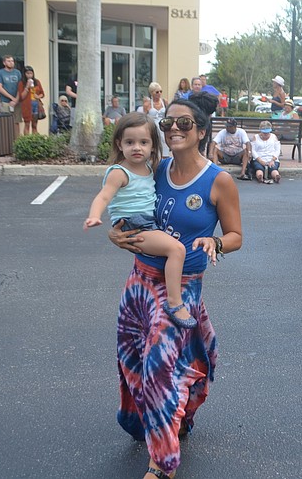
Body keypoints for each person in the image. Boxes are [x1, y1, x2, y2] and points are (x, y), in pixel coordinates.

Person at [108, 98, 242, 479]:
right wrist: (114, 235)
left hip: (181, 291)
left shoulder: (219, 180)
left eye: (186, 123)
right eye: (168, 122)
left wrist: (215, 243)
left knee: (161, 370)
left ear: (201, 131)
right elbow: (125, 206)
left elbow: (236, 236)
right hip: (138, 284)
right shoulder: (156, 167)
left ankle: (162, 461)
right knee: (132, 360)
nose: (174, 129)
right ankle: (159, 421)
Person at [85, 112, 195, 330]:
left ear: (153, 146)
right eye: (130, 142)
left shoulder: (148, 168)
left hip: (146, 223)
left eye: (143, 142)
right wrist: (94, 216)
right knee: (177, 250)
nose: (137, 147)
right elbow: (104, 196)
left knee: (172, 250)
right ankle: (174, 303)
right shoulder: (119, 172)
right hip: (134, 225)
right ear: (119, 144)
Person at [0, 55, 22, 136]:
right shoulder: (0, 73)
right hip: (5, 102)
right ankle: (7, 142)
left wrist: (16, 100)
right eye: (9, 61)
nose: (11, 63)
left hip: (16, 103)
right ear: (4, 63)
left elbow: (20, 87)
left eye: (12, 61)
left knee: (16, 122)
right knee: (5, 123)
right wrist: (11, 98)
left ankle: (17, 141)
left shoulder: (17, 72)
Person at [17, 66, 45, 135]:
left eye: (31, 73)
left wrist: (38, 96)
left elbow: (42, 94)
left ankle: (35, 140)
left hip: (36, 104)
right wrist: (27, 86)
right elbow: (21, 97)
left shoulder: (37, 82)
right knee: (27, 124)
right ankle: (27, 141)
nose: (29, 75)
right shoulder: (21, 83)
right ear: (24, 74)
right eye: (27, 73)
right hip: (27, 105)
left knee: (34, 124)